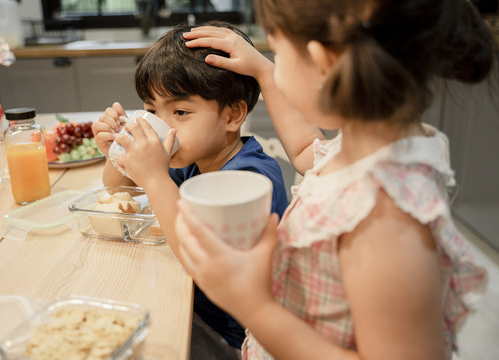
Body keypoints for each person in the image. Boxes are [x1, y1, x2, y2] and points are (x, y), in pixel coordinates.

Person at [175, 0, 497, 359]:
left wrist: (255, 307)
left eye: (278, 53)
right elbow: (303, 149)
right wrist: (264, 72)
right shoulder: (368, 146)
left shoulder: (386, 219)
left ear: (324, 63)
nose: (275, 66)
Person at [91, 21, 288, 354]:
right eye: (153, 111)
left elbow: (200, 257)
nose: (162, 125)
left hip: (237, 338)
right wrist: (117, 150)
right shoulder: (197, 158)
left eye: (180, 111)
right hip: (195, 308)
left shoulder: (248, 178)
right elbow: (117, 190)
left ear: (233, 114)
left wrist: (154, 177)